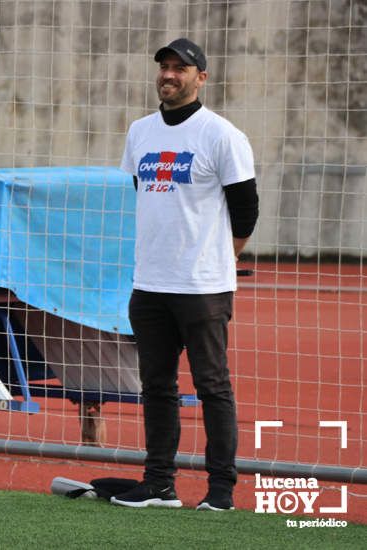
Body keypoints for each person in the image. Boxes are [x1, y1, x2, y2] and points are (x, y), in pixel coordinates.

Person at [110, 38, 259, 511]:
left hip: (203, 287)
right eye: (164, 67)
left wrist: (220, 259)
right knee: (156, 387)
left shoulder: (222, 135)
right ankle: (159, 484)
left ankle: (220, 492)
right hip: (150, 283)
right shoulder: (140, 132)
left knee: (212, 386)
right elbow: (143, 190)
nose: (169, 75)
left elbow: (246, 211)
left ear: (201, 78)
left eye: (181, 68)